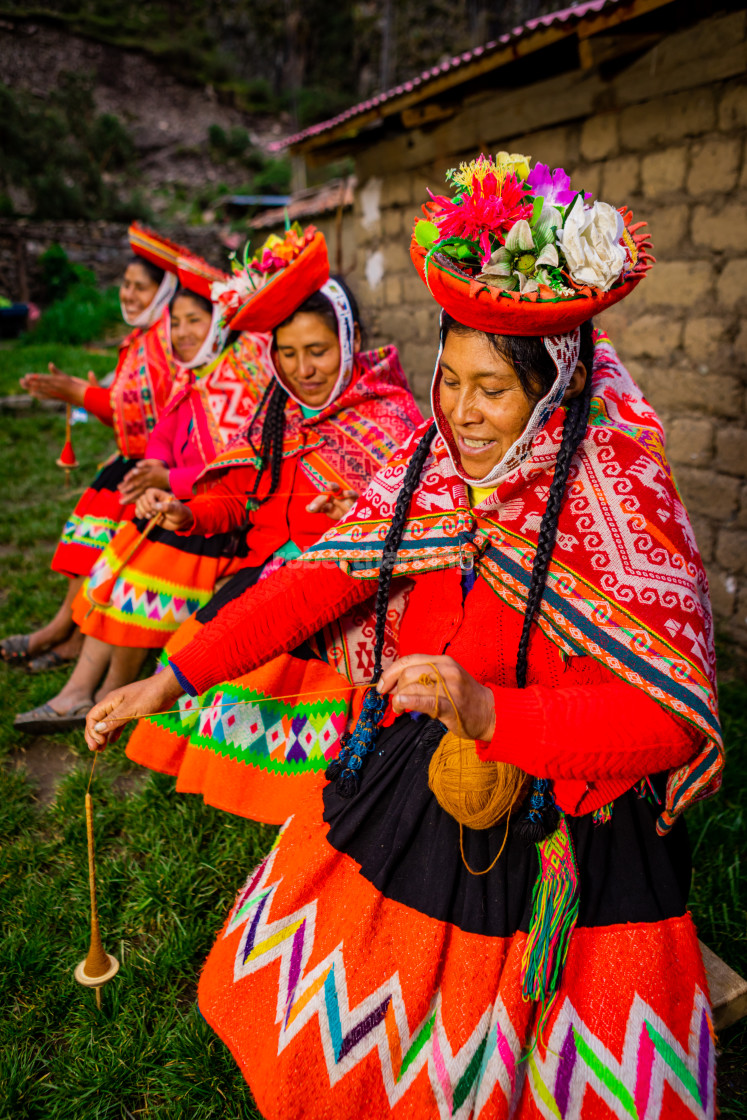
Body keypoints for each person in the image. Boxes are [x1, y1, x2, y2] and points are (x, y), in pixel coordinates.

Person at [86, 155, 722, 1118]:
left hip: (564, 812)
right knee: (318, 1005)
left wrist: (488, 712)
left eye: (492, 391)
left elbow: (664, 721)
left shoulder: (616, 497)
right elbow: (312, 583)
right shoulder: (432, 465)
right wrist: (171, 677)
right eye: (450, 379)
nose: (460, 414)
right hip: (423, 757)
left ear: (553, 392)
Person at [123, 224, 423, 823]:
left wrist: (356, 514)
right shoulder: (277, 411)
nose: (303, 368)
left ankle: (303, 804)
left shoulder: (391, 416)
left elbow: (410, 521)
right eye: (287, 354)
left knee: (288, 696)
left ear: (351, 340)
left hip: (342, 591)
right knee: (208, 652)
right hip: (269, 574)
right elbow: (242, 504)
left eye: (318, 351)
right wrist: (187, 512)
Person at [14, 251, 271, 734]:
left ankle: (103, 692)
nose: (184, 333)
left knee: (140, 572)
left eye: (196, 320)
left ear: (221, 322)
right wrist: (154, 466)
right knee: (119, 557)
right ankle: (83, 688)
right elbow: (163, 431)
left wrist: (166, 481)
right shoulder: (191, 373)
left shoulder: (243, 375)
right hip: (179, 508)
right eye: (177, 322)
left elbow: (235, 470)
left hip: (219, 522)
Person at [1, 224, 185, 670]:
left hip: (160, 467)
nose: (128, 295)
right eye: (125, 285)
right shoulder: (142, 340)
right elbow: (127, 412)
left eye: (140, 287)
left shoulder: (165, 341)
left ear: (163, 292)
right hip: (134, 459)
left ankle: (69, 632)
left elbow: (151, 416)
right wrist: (77, 393)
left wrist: (76, 393)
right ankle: (68, 628)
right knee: (91, 518)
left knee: (105, 518)